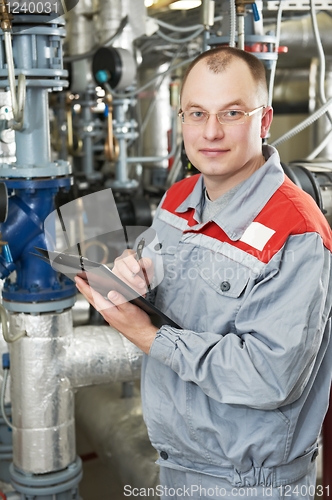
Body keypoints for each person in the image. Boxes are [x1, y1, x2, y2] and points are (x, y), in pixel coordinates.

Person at [75, 47, 332, 499]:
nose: (210, 132)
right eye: (197, 113)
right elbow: (155, 258)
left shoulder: (297, 231)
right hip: (176, 464)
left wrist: (148, 336)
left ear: (264, 121)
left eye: (231, 113)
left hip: (250, 485)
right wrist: (134, 271)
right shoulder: (180, 195)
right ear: (181, 118)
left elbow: (269, 376)